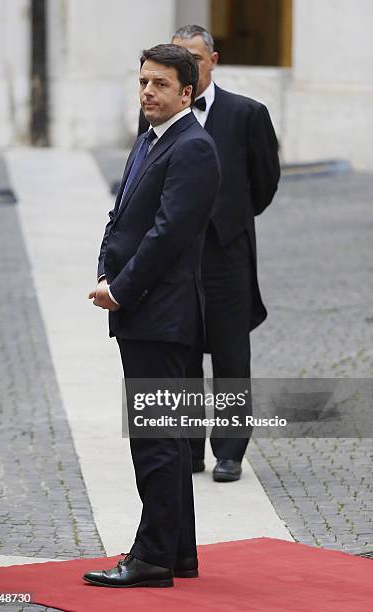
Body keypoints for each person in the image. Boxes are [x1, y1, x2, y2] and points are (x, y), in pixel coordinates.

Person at [84, 44, 220, 588]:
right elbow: (124, 217)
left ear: (187, 92)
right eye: (143, 82)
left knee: (156, 440)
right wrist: (105, 269)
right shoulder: (152, 137)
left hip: (159, 314)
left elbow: (168, 235)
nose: (147, 92)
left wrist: (120, 289)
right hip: (144, 311)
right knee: (166, 435)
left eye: (160, 84)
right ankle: (178, 552)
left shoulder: (193, 148)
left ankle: (153, 556)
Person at [139, 25, 280, 482]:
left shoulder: (247, 113)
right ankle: (188, 447)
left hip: (227, 257)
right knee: (180, 353)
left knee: (231, 355)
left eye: (195, 59)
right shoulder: (155, 112)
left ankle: (230, 451)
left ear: (213, 60)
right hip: (178, 259)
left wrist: (228, 222)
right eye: (180, 58)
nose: (189, 66)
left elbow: (264, 182)